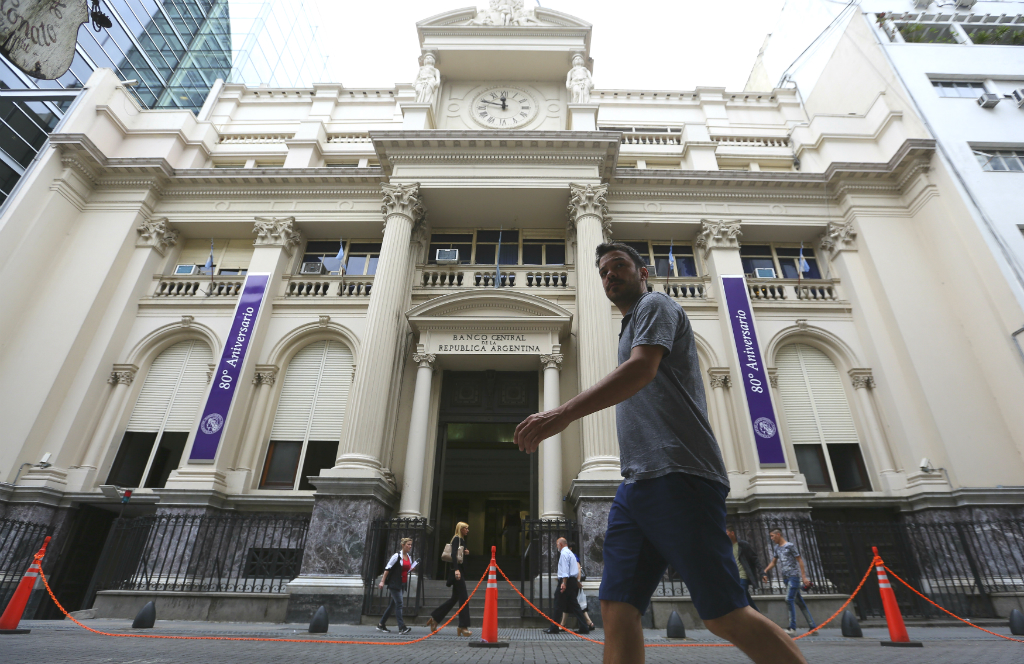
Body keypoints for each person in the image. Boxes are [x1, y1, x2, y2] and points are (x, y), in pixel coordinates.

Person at [514, 242, 807, 664]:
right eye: (603, 271)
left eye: (619, 266)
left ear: (643, 271)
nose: (609, 275)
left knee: (724, 614)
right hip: (636, 485)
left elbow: (641, 368)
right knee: (616, 609)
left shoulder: (655, 304)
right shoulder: (630, 324)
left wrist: (562, 414)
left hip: (680, 474)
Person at [763, 529, 816, 636]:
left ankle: (792, 627)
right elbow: (774, 562)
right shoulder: (777, 548)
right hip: (786, 578)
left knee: (788, 599)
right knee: (800, 602)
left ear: (778, 534)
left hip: (794, 577)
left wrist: (804, 577)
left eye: (773, 536)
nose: (771, 538)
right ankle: (813, 626)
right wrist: (765, 571)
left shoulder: (790, 546)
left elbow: (800, 560)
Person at [426, 522, 472, 637]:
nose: (467, 530)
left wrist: (466, 552)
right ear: (460, 529)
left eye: (467, 528)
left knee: (454, 598)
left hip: (459, 572)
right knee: (464, 599)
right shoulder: (456, 539)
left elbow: (460, 555)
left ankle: (435, 618)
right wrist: (456, 570)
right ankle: (463, 626)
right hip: (457, 573)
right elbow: (453, 554)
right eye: (465, 528)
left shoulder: (462, 540)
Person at [546, 537, 590, 634]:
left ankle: (554, 627)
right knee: (575, 605)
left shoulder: (564, 553)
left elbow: (565, 569)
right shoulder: (571, 553)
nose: (557, 547)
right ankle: (584, 627)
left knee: (558, 603)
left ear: (561, 544)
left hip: (566, 581)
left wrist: (564, 583)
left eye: (557, 544)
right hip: (572, 581)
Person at [377, 537, 414, 634]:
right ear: (403, 545)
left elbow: (406, 569)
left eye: (411, 544)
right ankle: (401, 627)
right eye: (408, 544)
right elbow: (387, 568)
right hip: (395, 584)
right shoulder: (396, 556)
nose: (410, 546)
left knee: (393, 605)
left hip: (402, 583)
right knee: (399, 603)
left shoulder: (409, 557)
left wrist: (411, 568)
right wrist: (382, 581)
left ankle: (381, 624)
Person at [560, 542, 596, 631]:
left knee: (575, 604)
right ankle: (589, 623)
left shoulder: (573, 556)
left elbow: (578, 568)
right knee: (572, 604)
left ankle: (563, 625)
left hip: (573, 583)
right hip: (573, 582)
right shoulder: (571, 556)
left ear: (571, 548)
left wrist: (578, 581)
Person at [726, 525, 761, 613]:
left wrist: (762, 573)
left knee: (742, 593)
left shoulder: (743, 544)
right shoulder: (727, 547)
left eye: (726, 533)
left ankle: (752, 615)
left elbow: (754, 558)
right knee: (745, 597)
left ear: (732, 533)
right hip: (734, 575)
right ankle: (758, 614)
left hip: (743, 575)